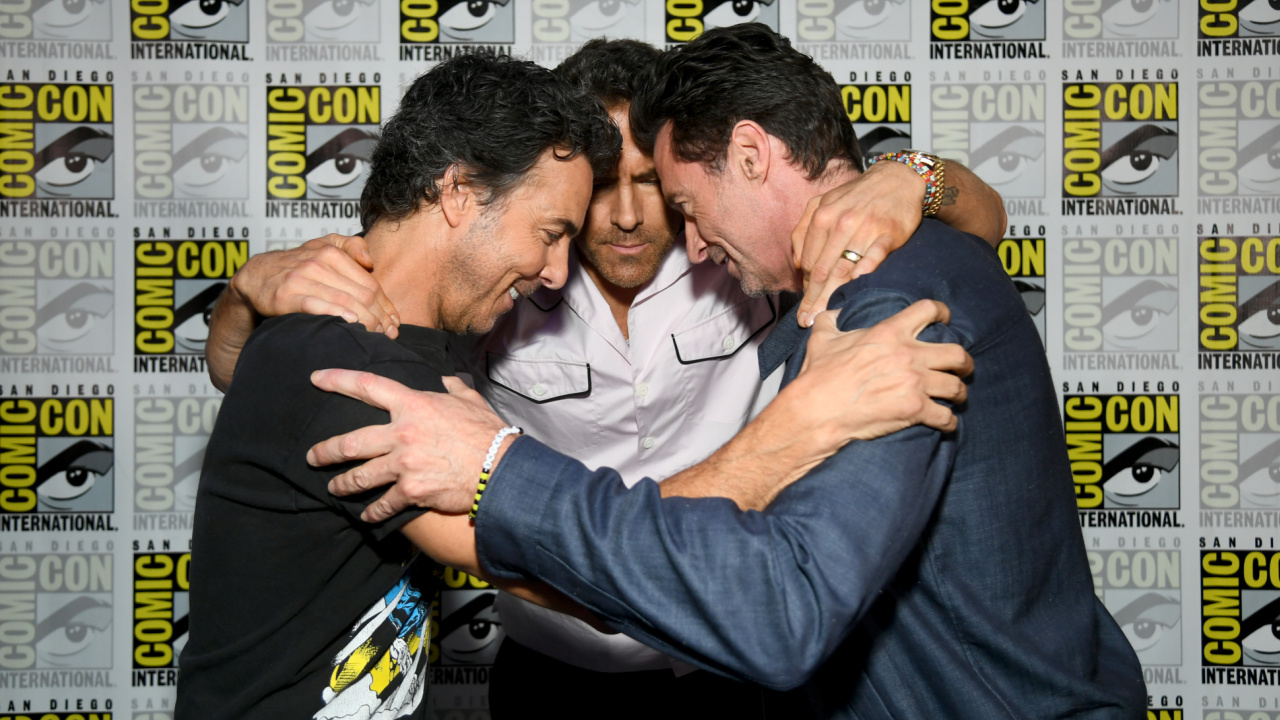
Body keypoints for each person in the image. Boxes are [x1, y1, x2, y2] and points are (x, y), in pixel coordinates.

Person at [303, 25, 1147, 719]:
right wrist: (252, 293)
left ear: (750, 154)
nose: (691, 242)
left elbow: (780, 608)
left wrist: (498, 474)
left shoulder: (886, 305)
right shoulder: (836, 288)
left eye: (684, 206)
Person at [180, 52, 973, 720]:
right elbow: (586, 576)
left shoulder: (729, 262)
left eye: (657, 191)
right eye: (556, 227)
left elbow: (973, 231)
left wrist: (912, 174)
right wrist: (806, 421)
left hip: (723, 673)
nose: (557, 268)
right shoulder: (364, 364)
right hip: (563, 670)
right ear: (459, 193)